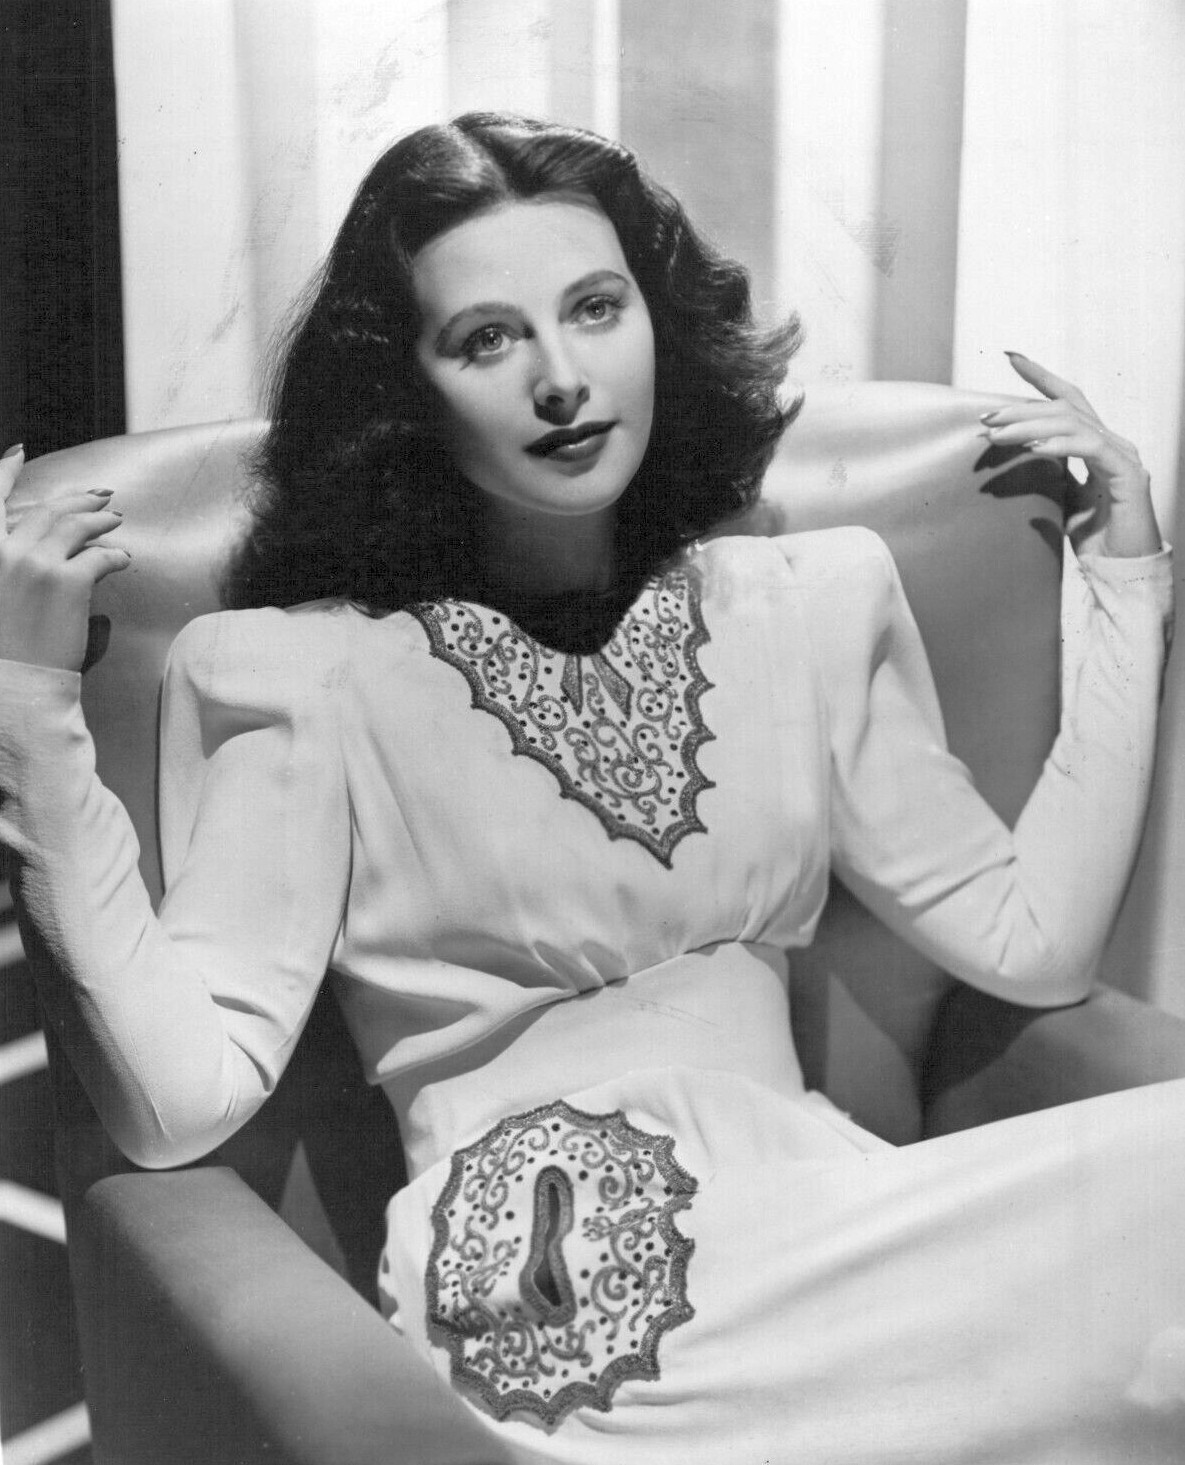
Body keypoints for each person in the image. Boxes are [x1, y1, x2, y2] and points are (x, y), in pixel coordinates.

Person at [0, 112, 1180, 1463]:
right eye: (485, 339)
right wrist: (29, 709)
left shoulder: (808, 604)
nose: (561, 378)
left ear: (655, 323)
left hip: (824, 1222)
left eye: (594, 308)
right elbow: (179, 1102)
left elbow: (1030, 944)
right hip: (552, 1282)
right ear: (406, 388)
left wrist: (1127, 581)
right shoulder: (300, 673)